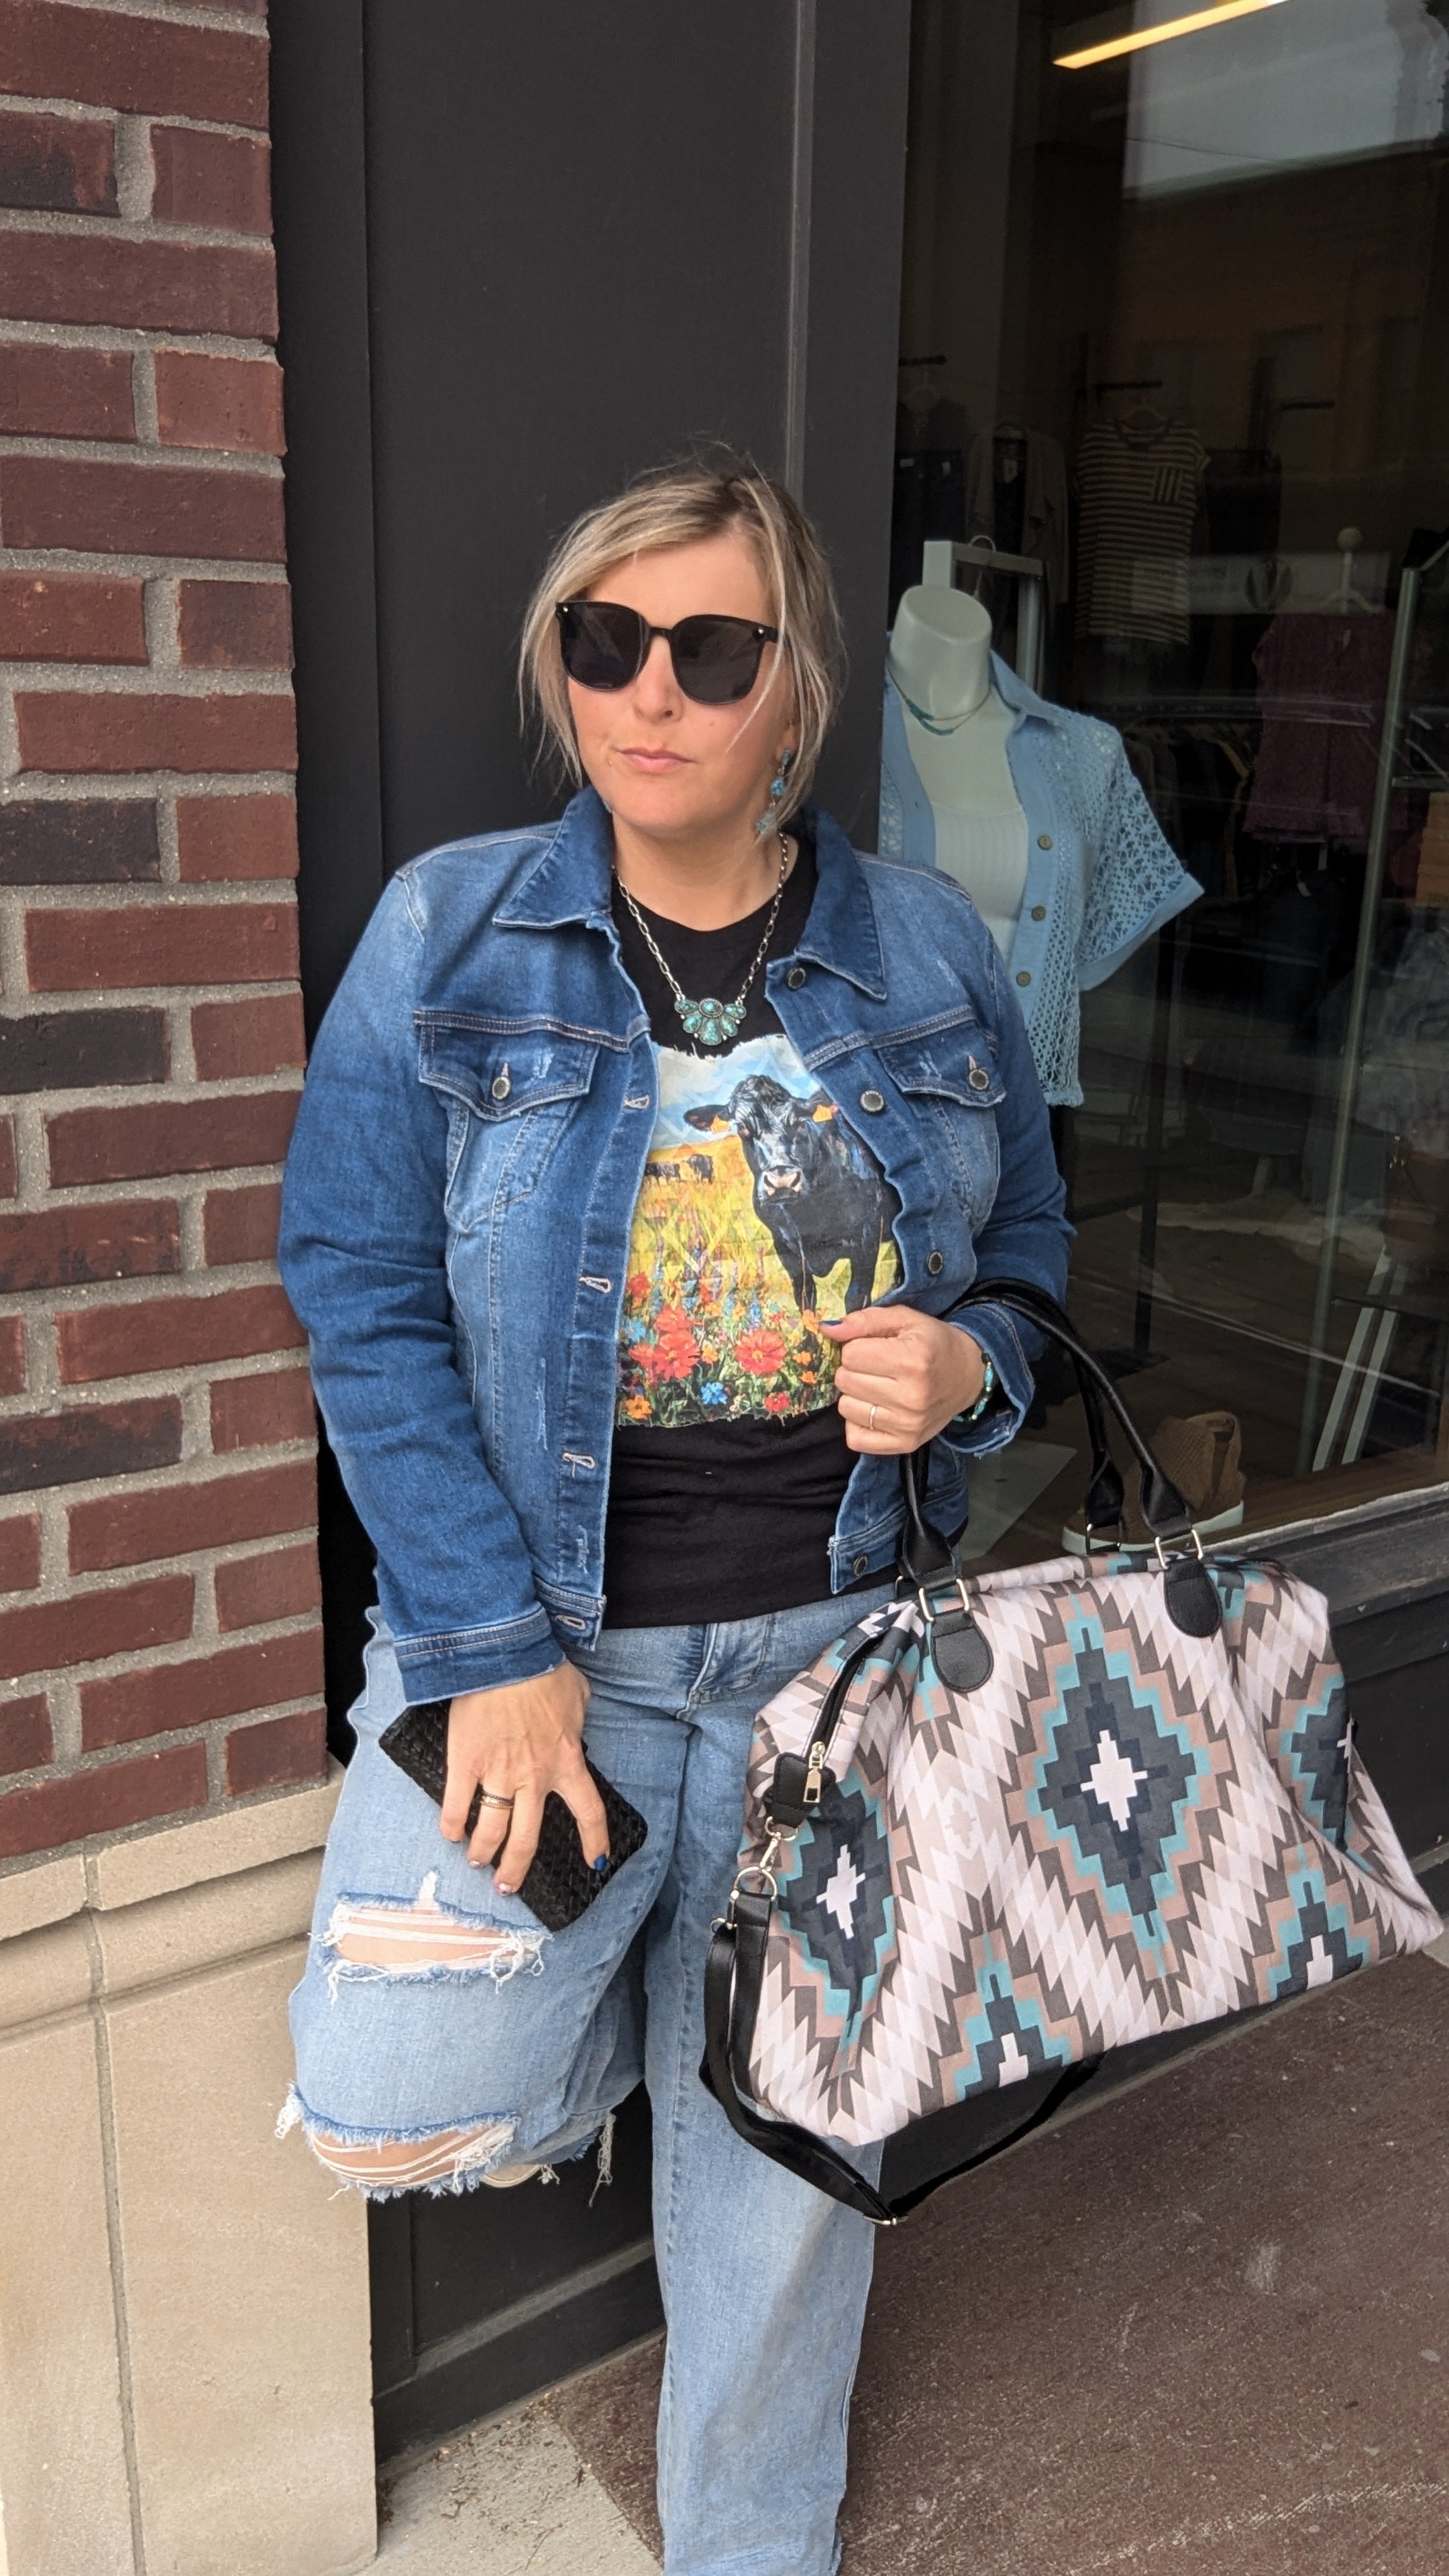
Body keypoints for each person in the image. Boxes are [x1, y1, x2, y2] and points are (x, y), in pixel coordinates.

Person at [278, 457, 1071, 2576]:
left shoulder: (922, 948)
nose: (653, 691)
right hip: (550, 1656)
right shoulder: (454, 933)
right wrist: (488, 1648)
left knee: (790, 2178)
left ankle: (752, 2545)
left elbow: (1032, 1254)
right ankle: (663, 2019)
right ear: (562, 670)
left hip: (837, 1659)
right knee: (396, 2090)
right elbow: (355, 1282)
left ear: (795, 687)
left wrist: (970, 1365)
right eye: (606, 641)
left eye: (712, 649)